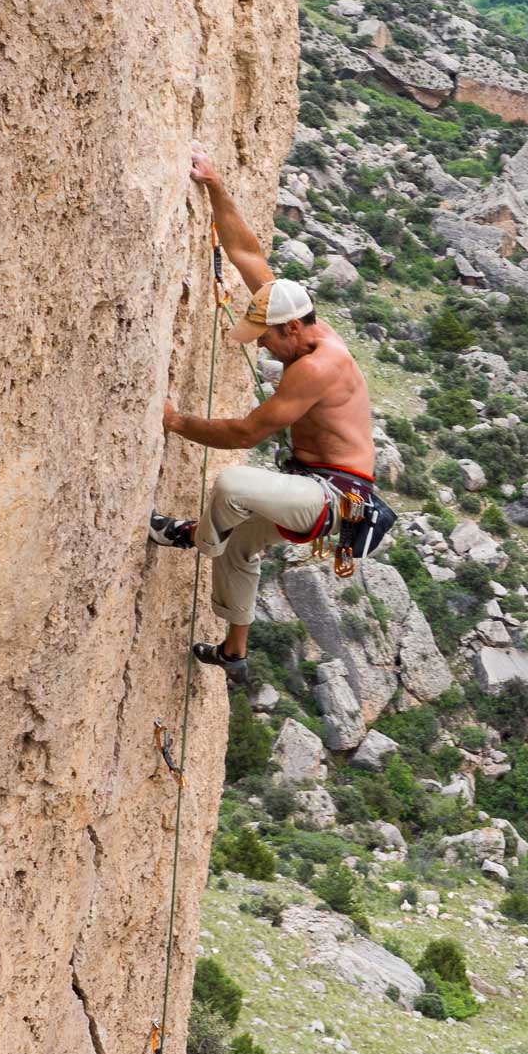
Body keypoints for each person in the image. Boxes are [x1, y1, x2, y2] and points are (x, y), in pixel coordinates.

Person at [149, 143, 375, 685]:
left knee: (232, 486)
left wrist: (178, 422)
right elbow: (248, 256)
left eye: (267, 340)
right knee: (242, 550)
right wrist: (216, 186)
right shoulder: (292, 316)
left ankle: (190, 537)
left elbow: (248, 431)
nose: (265, 348)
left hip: (333, 499)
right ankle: (234, 652)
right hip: (316, 486)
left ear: (293, 329)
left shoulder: (318, 368)